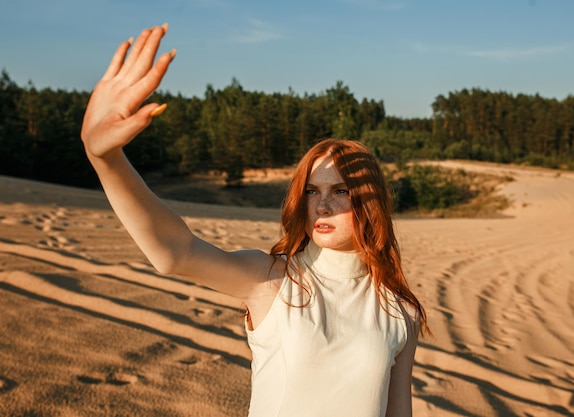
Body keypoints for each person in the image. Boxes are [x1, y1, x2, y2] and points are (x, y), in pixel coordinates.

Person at [81, 24, 428, 417]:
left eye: (341, 191)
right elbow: (175, 252)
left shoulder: (401, 312)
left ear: (371, 202)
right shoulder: (272, 281)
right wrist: (106, 161)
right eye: (312, 191)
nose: (322, 206)